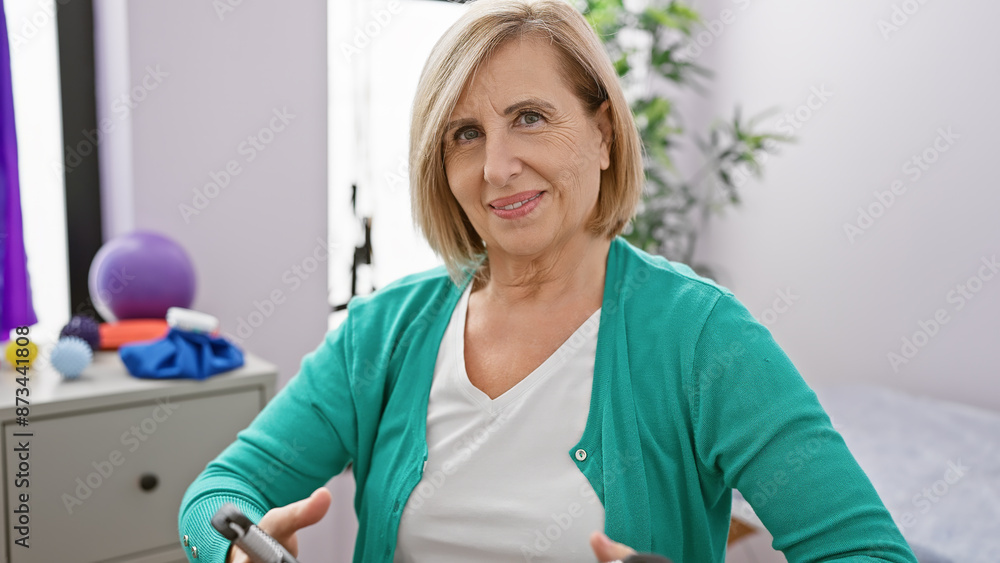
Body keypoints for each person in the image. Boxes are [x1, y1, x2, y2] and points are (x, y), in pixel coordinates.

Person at [178, 0, 918, 561]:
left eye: (529, 117)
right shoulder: (381, 333)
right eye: (466, 134)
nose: (497, 167)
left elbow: (869, 553)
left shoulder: (702, 337)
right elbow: (216, 496)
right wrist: (236, 551)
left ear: (603, 134)